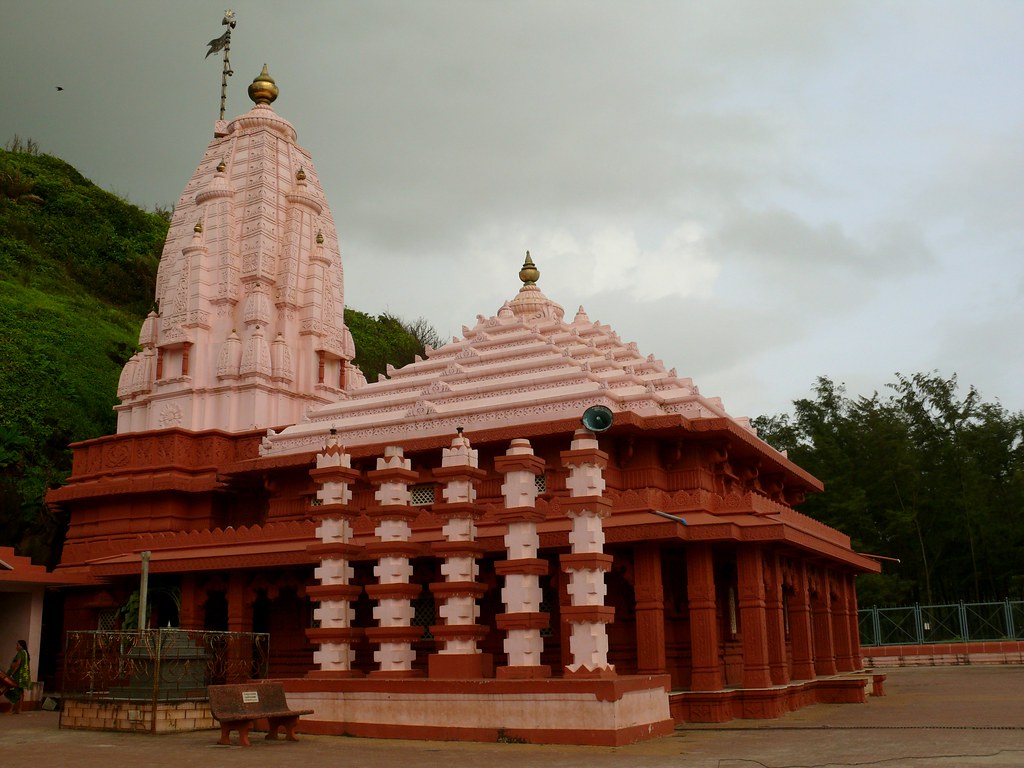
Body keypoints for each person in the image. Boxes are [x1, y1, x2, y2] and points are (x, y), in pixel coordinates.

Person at [6, 640, 30, 714]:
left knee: (14, 691)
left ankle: (11, 710)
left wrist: (12, 673)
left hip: (18, 675)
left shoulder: (21, 653)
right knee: (20, 692)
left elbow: (18, 663)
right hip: (23, 675)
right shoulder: (26, 653)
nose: (16, 647)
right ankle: (19, 709)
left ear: (21, 646)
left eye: (17, 645)